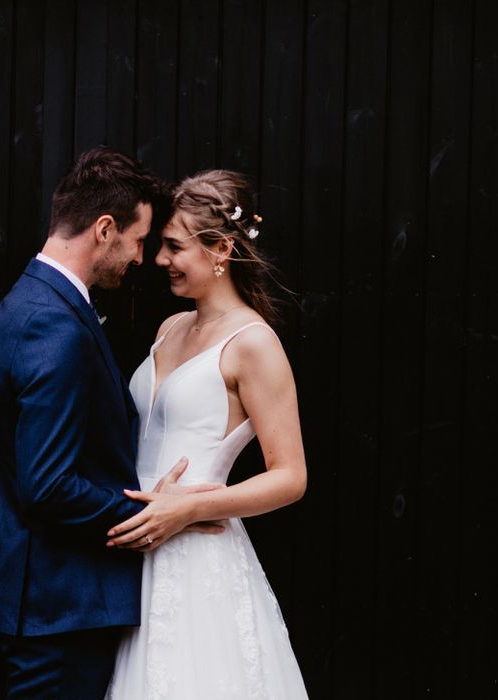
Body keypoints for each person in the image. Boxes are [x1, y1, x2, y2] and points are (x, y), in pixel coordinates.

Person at [0, 147, 222, 699]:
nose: (141, 259)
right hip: (59, 608)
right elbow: (48, 484)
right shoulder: (56, 326)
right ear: (105, 229)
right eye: (139, 241)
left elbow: (14, 457)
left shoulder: (24, 302)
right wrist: (157, 514)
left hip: (39, 596)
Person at [106, 170, 310, 699]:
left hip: (195, 555)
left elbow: (290, 476)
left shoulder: (253, 343)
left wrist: (191, 508)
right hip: (131, 544)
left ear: (220, 249)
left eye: (174, 247)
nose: (158, 260)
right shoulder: (170, 328)